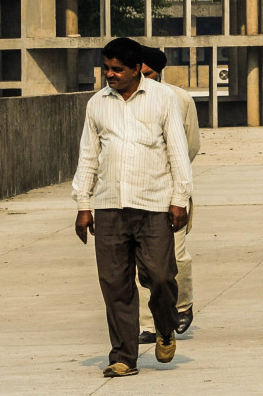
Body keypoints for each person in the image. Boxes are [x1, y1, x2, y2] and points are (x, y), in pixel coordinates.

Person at [71, 37, 192, 379]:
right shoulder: (97, 104)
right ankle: (124, 356)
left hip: (154, 204)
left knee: (161, 277)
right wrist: (84, 204)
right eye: (106, 68)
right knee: (114, 284)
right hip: (109, 206)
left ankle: (165, 327)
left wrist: (179, 199)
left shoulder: (163, 99)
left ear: (138, 69)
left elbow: (177, 152)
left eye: (117, 69)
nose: (110, 74)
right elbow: (88, 156)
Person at [136, 46, 199, 341]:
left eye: (148, 74)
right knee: (143, 262)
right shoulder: (123, 100)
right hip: (136, 193)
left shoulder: (180, 99)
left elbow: (191, 146)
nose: (143, 79)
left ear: (158, 73)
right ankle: (149, 324)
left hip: (173, 190)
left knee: (175, 254)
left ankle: (183, 306)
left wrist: (176, 183)